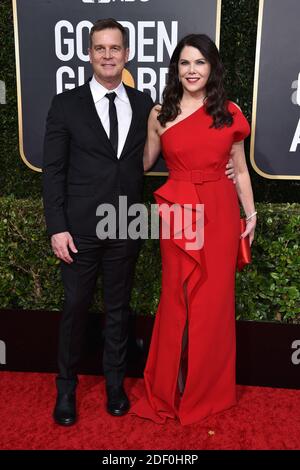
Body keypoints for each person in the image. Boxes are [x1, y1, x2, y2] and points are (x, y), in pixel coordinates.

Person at [42, 19, 236, 426]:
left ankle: (115, 386)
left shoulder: (145, 101)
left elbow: (160, 155)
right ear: (89, 53)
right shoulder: (66, 104)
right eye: (100, 48)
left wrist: (224, 168)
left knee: (118, 308)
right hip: (78, 226)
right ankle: (66, 389)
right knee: (75, 307)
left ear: (126, 54)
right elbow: (54, 171)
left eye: (115, 48)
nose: (108, 56)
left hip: (126, 220)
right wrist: (57, 226)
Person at [130, 34, 256, 425]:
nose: (191, 71)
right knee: (176, 299)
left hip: (219, 208)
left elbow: (240, 167)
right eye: (184, 63)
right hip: (179, 209)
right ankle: (168, 388)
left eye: (200, 63)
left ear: (212, 68)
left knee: (213, 301)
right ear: (176, 69)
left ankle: (208, 392)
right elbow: (143, 161)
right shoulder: (159, 113)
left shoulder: (227, 111)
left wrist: (250, 215)